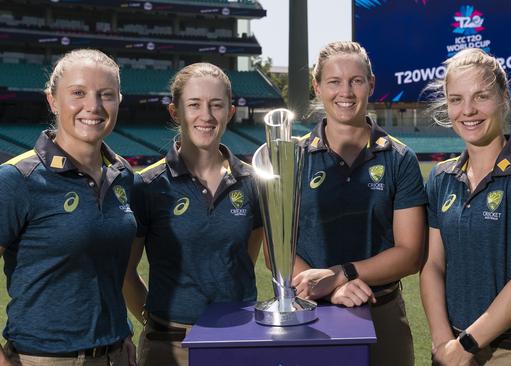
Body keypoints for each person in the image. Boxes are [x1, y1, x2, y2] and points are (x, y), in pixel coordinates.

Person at [290, 41, 426, 366]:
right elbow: (276, 247)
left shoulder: (399, 158)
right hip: (310, 315)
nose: (346, 92)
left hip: (382, 315)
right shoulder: (292, 157)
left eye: (356, 81)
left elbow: (410, 254)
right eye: (334, 81)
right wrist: (325, 289)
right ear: (317, 87)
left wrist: (341, 275)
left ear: (371, 84)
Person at [0, 49, 136, 366]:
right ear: (53, 100)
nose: (93, 106)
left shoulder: (125, 177)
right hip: (45, 359)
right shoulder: (18, 179)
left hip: (117, 354)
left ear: (119, 101)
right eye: (78, 93)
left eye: (107, 95)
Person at [123, 63, 264, 366]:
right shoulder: (147, 185)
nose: (206, 116)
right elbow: (126, 274)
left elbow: (244, 258)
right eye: (194, 105)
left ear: (230, 111)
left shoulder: (254, 182)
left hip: (239, 340)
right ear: (175, 112)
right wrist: (159, 320)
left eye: (216, 105)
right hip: (169, 347)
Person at [420, 48, 511, 366]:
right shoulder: (441, 176)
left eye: (481, 97)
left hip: (509, 351)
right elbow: (432, 265)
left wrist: (465, 346)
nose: (468, 110)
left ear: (504, 96)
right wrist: (442, 343)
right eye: (456, 99)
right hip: (450, 348)